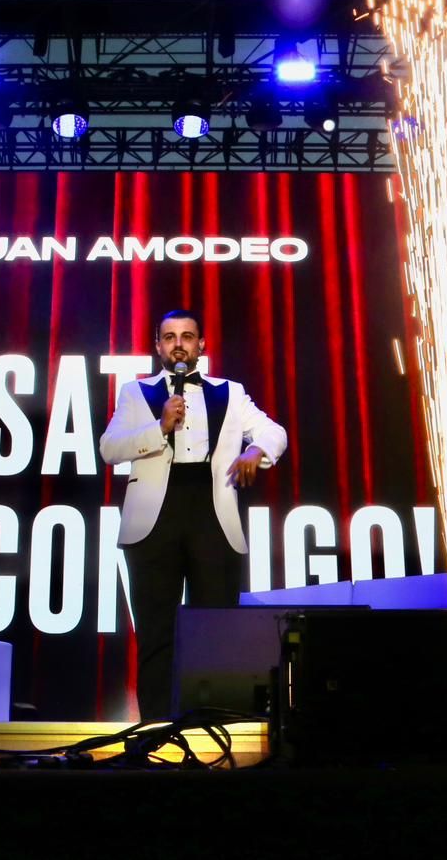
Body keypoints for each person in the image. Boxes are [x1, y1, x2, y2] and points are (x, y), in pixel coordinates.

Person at [98, 308, 288, 720]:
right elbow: (110, 448)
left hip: (212, 515)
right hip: (154, 520)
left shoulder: (229, 392)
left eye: (187, 336)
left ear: (201, 344)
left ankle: (213, 729)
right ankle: (154, 730)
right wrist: (160, 427)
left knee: (215, 633)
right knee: (156, 633)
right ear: (158, 346)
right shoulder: (136, 392)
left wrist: (256, 450)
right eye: (169, 337)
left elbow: (275, 432)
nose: (178, 344)